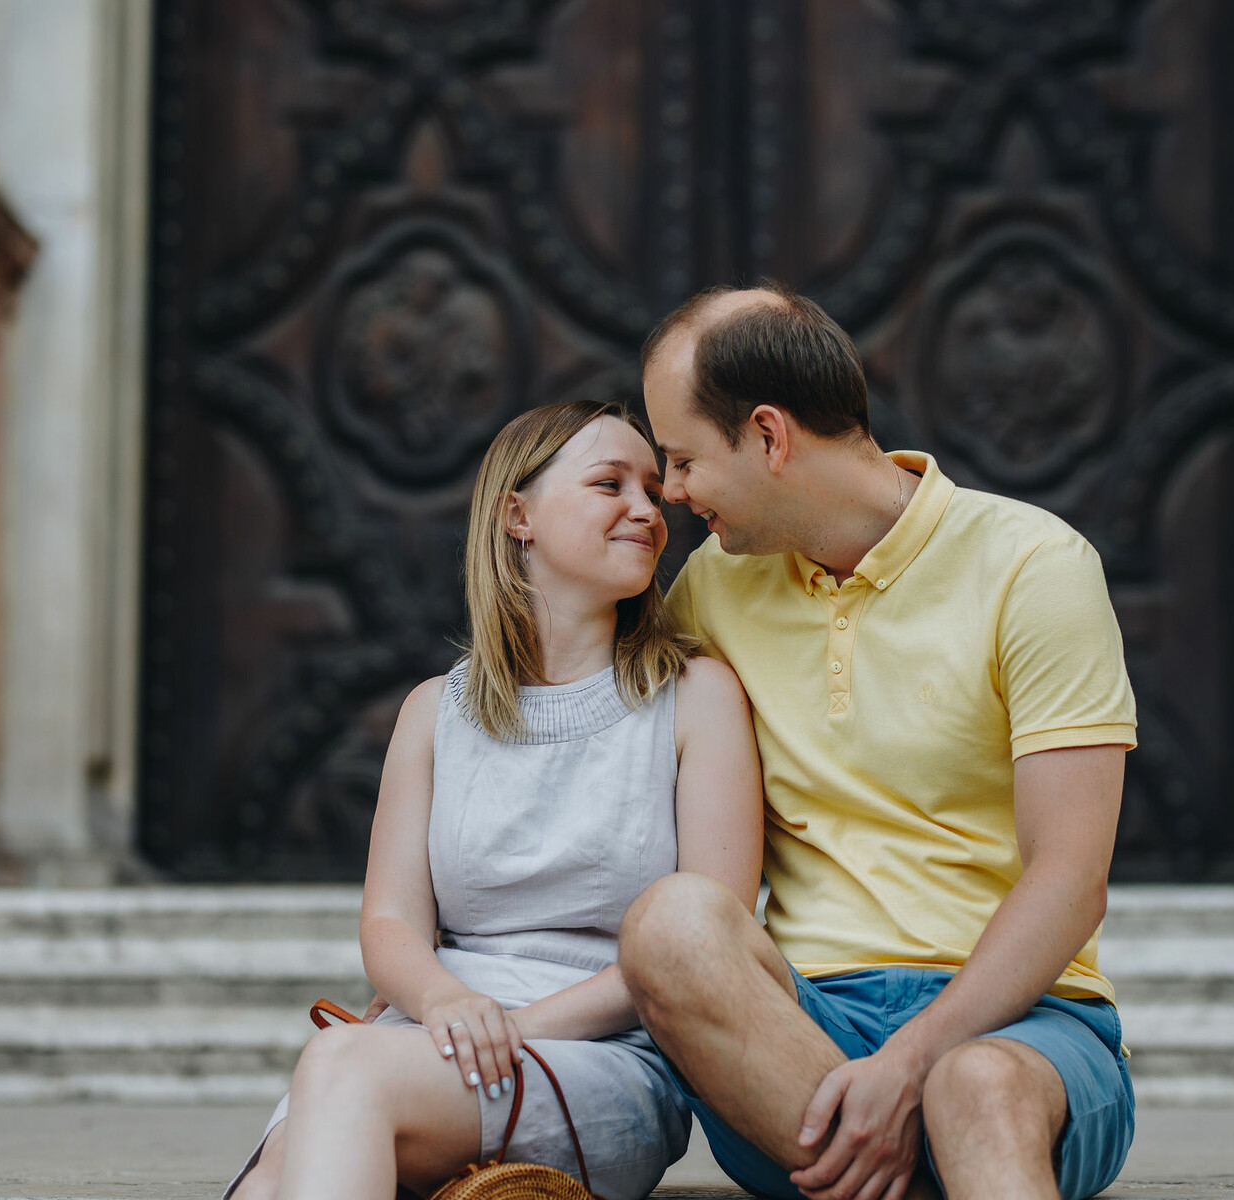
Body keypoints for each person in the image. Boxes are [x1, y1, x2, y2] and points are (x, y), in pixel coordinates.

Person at [618, 285, 1138, 1200]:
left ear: (770, 437)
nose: (670, 490)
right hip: (800, 1034)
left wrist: (913, 1059)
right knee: (672, 924)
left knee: (971, 1088)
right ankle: (885, 1159)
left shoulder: (1034, 565)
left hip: (1023, 1025)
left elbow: (1071, 877)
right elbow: (587, 783)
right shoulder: (711, 588)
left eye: (684, 457)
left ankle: (903, 1147)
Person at [226, 400, 764, 1200]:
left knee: (340, 1071)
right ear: (519, 515)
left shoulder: (696, 697)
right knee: (279, 1170)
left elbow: (705, 946)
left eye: (653, 489)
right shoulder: (432, 713)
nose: (647, 510)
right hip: (435, 1033)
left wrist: (512, 1029)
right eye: (610, 484)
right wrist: (446, 999)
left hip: (606, 1055)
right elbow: (390, 924)